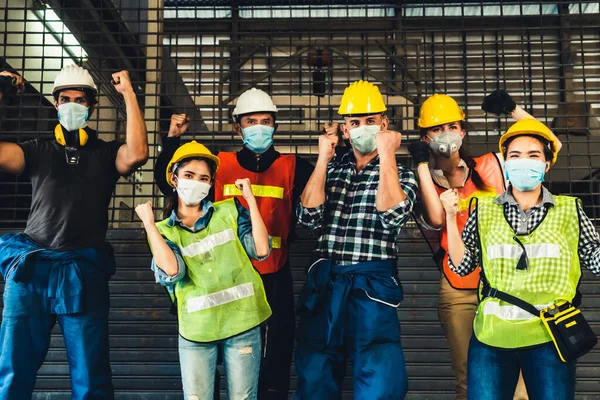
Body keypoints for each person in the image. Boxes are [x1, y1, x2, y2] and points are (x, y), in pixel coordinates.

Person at [154, 88, 314, 400]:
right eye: (250, 121)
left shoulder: (295, 167)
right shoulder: (217, 166)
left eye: (265, 121)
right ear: (237, 126)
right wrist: (171, 140)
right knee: (207, 361)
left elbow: (320, 196)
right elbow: (168, 182)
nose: (258, 127)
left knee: (275, 356)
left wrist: (326, 155)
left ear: (275, 125)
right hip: (217, 279)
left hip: (273, 275)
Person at [0, 65, 148, 399]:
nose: (72, 105)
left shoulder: (105, 153)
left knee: (91, 373)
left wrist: (128, 93)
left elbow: (137, 153)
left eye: (80, 100)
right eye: (65, 99)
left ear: (91, 107)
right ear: (55, 104)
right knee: (13, 368)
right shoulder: (36, 150)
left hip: (82, 270)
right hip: (32, 269)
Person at [408, 91, 559, 400]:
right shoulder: (422, 181)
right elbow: (437, 220)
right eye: (437, 129)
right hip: (458, 289)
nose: (445, 134)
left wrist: (513, 110)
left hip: (507, 289)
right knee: (471, 383)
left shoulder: (494, 166)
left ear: (463, 131)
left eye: (452, 126)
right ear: (425, 137)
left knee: (520, 387)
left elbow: (549, 145)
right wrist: (423, 168)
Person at [442, 118, 600, 400]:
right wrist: (451, 217)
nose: (523, 161)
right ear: (505, 163)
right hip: (491, 339)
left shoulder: (570, 211)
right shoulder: (484, 210)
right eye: (515, 155)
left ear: (547, 164)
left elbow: (596, 260)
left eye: (533, 155)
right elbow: (462, 265)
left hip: (550, 338)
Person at [294, 80, 418, 399]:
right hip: (326, 283)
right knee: (316, 377)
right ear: (345, 130)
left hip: (373, 287)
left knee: (380, 382)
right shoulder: (331, 170)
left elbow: (393, 215)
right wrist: (323, 158)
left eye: (370, 121)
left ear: (384, 125)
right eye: (354, 123)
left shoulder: (402, 175)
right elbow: (307, 217)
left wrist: (388, 154)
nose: (363, 128)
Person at [135, 141, 272, 400]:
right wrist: (149, 225)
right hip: (196, 329)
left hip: (242, 322)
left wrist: (251, 200)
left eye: (203, 178)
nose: (196, 182)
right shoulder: (164, 229)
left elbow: (262, 250)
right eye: (189, 175)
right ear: (174, 178)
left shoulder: (230, 211)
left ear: (211, 184)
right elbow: (173, 272)